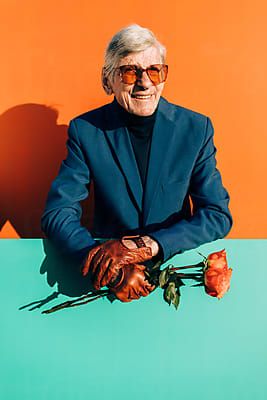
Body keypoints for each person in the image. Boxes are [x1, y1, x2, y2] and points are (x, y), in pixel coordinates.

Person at [41, 24, 233, 302]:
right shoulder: (85, 131)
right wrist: (111, 269)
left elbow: (217, 215)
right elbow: (58, 213)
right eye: (130, 71)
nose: (145, 82)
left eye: (155, 71)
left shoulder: (196, 128)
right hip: (106, 288)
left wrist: (146, 245)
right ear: (108, 80)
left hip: (176, 273)